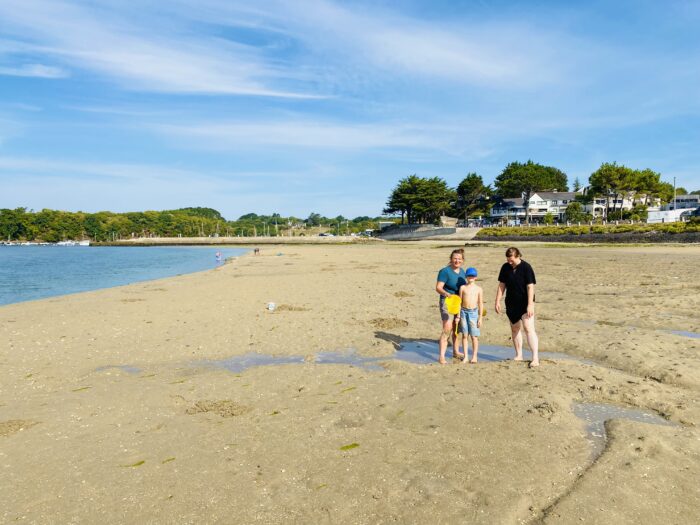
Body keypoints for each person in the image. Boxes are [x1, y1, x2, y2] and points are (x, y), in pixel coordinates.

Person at [495, 247, 539, 367]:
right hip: (511, 302)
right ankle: (519, 355)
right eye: (508, 260)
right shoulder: (505, 267)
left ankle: (535, 358)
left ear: (518, 256)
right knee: (515, 328)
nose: (510, 262)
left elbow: (530, 287)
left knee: (528, 328)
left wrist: (530, 304)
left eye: (512, 260)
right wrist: (497, 301)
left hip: (525, 302)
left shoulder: (526, 267)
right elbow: (502, 285)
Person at [435, 248, 466, 364]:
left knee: (457, 328)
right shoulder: (445, 271)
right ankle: (441, 356)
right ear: (451, 259)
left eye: (459, 259)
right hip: (447, 301)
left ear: (462, 260)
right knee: (447, 328)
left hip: (459, 303)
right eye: (455, 258)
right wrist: (447, 294)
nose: (457, 261)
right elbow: (438, 288)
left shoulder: (462, 272)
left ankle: (455, 351)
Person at [458, 267, 483, 363]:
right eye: (469, 276)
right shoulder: (463, 288)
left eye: (472, 276)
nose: (471, 277)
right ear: (466, 277)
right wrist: (458, 315)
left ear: (476, 277)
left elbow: (480, 303)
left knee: (474, 336)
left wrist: (480, 318)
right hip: (463, 312)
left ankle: (474, 356)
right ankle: (465, 356)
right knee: (465, 335)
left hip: (473, 313)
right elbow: (459, 302)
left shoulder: (479, 289)